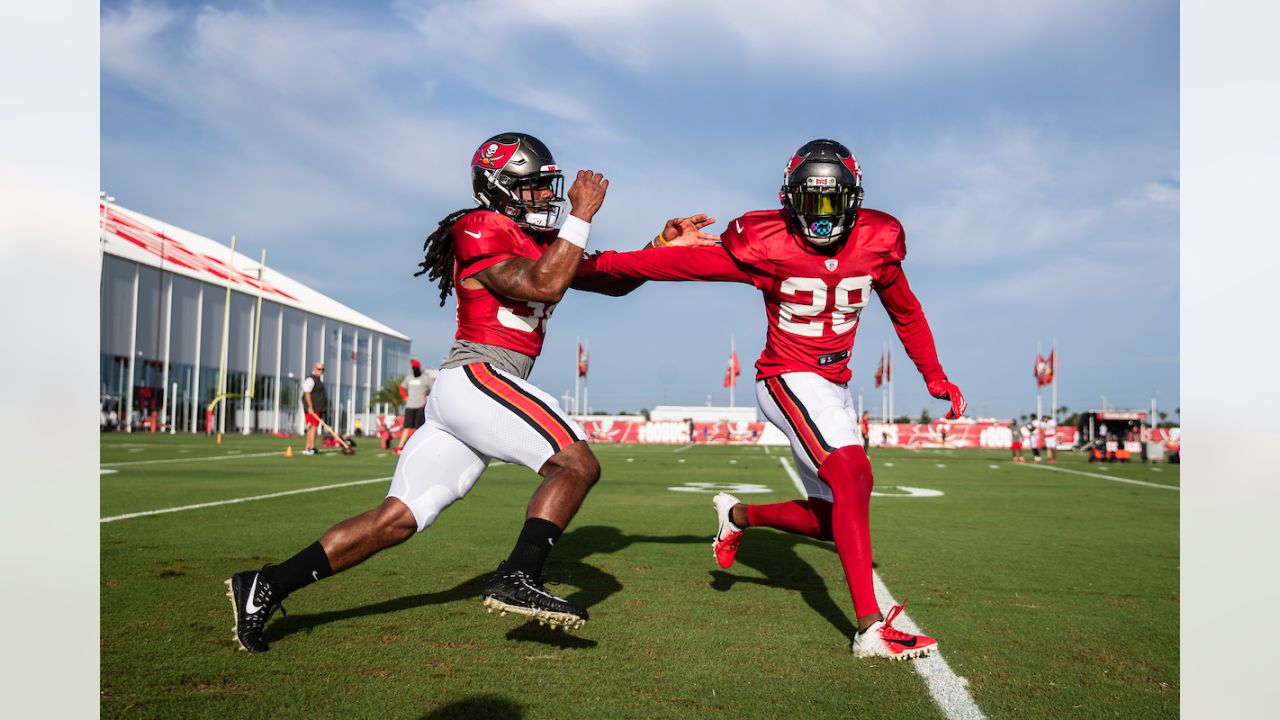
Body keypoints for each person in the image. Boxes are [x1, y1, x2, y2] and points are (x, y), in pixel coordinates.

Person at [226, 132, 713, 653]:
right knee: (577, 464)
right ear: (499, 188)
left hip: (478, 391)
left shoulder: (544, 243)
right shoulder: (478, 226)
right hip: (477, 375)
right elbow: (543, 286)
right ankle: (518, 575)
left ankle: (266, 585)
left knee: (396, 520)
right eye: (532, 190)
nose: (546, 199)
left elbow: (610, 277)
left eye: (548, 190)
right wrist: (582, 215)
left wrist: (661, 249)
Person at [580, 139, 965, 660]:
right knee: (854, 474)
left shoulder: (878, 243)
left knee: (832, 521)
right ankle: (871, 628)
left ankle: (737, 517)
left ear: (854, 200)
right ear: (789, 201)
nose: (822, 216)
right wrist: (573, 267)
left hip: (835, 386)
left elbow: (907, 311)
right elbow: (663, 268)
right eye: (812, 202)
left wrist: (934, 375)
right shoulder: (765, 245)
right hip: (787, 377)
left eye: (833, 202)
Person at [393, 359, 433, 454]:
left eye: (415, 368)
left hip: (420, 406)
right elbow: (402, 388)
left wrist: (427, 396)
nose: (413, 369)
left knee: (419, 428)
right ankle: (400, 447)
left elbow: (434, 387)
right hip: (410, 406)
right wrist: (405, 397)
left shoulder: (425, 377)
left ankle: (419, 446)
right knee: (407, 427)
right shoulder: (409, 378)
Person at [301, 361, 327, 455]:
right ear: (314, 368)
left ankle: (308, 447)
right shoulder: (310, 379)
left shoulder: (318, 380)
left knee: (312, 427)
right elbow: (307, 393)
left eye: (323, 369)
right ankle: (311, 447)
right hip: (313, 408)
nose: (321, 371)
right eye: (319, 369)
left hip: (318, 408)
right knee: (313, 427)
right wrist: (310, 407)